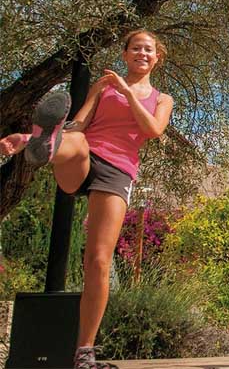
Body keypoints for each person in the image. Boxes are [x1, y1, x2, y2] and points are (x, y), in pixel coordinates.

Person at [1, 29, 173, 369]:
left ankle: (84, 351)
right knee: (76, 141)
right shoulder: (103, 86)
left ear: (157, 58)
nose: (141, 53)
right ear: (125, 54)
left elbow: (153, 130)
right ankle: (42, 145)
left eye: (148, 49)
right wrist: (25, 137)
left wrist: (128, 92)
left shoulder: (161, 98)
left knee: (97, 261)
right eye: (135, 48)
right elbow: (79, 123)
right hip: (83, 156)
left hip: (118, 171)